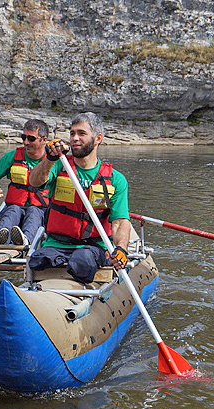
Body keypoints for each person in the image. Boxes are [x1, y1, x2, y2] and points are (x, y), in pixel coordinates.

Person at [27, 112, 130, 284]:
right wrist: (49, 159)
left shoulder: (115, 179)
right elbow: (35, 182)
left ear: (97, 139)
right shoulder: (59, 164)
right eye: (72, 133)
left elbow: (120, 221)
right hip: (57, 244)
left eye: (82, 133)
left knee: (82, 260)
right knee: (38, 260)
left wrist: (121, 249)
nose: (75, 138)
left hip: (93, 247)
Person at [0, 119, 50, 245]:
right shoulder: (12, 157)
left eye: (31, 138)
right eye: (23, 137)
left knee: (33, 212)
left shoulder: (53, 161)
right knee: (13, 210)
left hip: (40, 209)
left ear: (44, 140)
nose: (26, 142)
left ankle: (26, 243)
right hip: (15, 206)